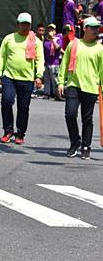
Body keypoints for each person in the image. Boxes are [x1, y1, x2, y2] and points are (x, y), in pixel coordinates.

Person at [0, 12, 45, 145]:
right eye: (23, 24)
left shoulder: (36, 42)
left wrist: (39, 76)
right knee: (6, 100)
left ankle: (20, 133)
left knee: (23, 107)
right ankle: (8, 130)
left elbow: (40, 60)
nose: (25, 27)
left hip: (27, 79)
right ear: (18, 24)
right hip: (9, 76)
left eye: (27, 24)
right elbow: (1, 57)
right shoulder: (9, 39)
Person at [58, 16, 103, 160]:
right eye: (93, 27)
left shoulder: (100, 49)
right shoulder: (74, 44)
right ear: (85, 28)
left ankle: (86, 146)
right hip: (73, 85)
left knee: (87, 118)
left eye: (97, 28)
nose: (96, 30)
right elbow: (64, 64)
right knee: (70, 114)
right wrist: (60, 82)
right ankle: (74, 142)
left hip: (90, 87)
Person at [42, 24, 63, 100]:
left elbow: (58, 48)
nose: (50, 31)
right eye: (49, 30)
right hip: (47, 62)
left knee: (55, 79)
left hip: (54, 62)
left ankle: (57, 94)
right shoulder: (45, 40)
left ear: (55, 31)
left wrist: (52, 40)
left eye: (52, 30)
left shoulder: (58, 38)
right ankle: (46, 93)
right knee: (47, 79)